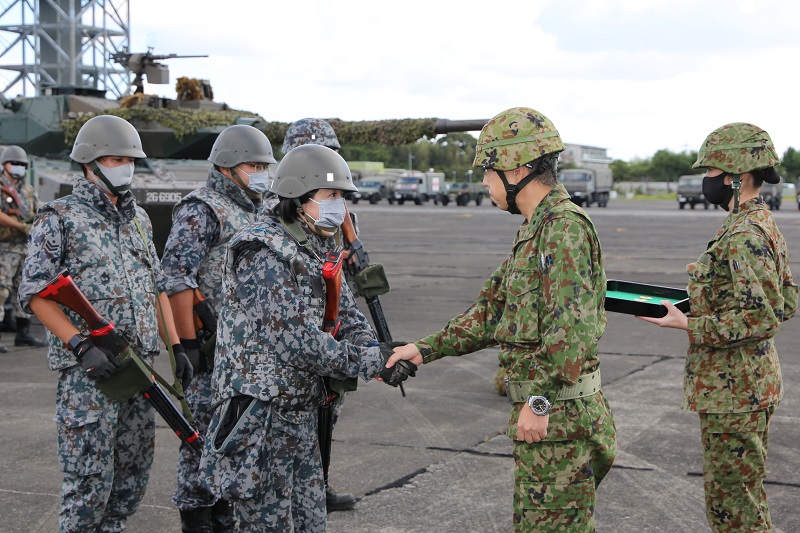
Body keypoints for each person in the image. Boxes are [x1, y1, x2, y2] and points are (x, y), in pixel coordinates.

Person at [385, 107, 617, 533]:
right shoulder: (536, 229)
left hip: (558, 419)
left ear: (518, 169)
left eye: (489, 172)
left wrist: (539, 401)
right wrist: (423, 349)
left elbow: (573, 332)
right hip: (548, 420)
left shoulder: (563, 229)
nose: (485, 183)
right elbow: (491, 311)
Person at [199, 143, 414, 532]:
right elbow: (295, 341)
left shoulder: (317, 244)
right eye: (331, 196)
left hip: (302, 413)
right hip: (261, 416)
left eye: (343, 198)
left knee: (311, 522)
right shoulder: (261, 250)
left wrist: (378, 352)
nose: (340, 207)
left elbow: (347, 314)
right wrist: (369, 361)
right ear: (298, 197)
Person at [17, 114, 193, 532]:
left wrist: (177, 347)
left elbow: (156, 288)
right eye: (114, 158)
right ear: (88, 164)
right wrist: (79, 345)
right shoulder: (58, 217)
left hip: (141, 368)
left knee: (132, 476)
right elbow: (36, 292)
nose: (124, 166)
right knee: (89, 481)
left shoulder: (138, 220)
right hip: (90, 374)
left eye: (130, 159)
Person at [638, 122, 798, 532]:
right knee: (742, 500)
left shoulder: (745, 234)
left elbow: (762, 316)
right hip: (743, 386)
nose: (705, 180)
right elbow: (786, 300)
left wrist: (688, 323)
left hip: (735, 392)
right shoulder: (758, 223)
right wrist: (704, 303)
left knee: (734, 513)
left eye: (710, 172)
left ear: (736, 177)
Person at [161, 124, 276, 532]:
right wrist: (187, 344)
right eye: (253, 164)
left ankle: (223, 513)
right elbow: (175, 276)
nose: (262, 172)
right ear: (227, 167)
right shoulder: (202, 208)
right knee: (201, 439)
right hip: (210, 350)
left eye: (265, 164)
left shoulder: (257, 208)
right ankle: (196, 517)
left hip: (248, 351)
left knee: (236, 436)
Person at [277, 117, 359, 512]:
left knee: (325, 421)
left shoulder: (327, 220)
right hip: (285, 367)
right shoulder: (270, 233)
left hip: (329, 336)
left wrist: (364, 341)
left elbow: (342, 286)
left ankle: (318, 483)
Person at [0, 145, 46, 351]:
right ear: (4, 165)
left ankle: (23, 333)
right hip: (4, 247)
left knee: (24, 291)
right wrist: (21, 226)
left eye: (21, 164)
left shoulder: (27, 190)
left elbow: (39, 209)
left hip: (25, 248)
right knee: (1, 290)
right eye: (13, 163)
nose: (17, 167)